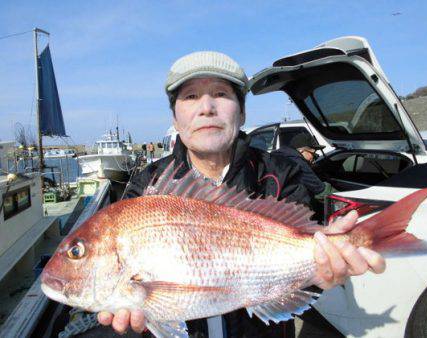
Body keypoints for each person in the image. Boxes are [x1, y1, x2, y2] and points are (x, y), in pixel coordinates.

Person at [97, 51, 385, 336]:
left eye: (221, 94)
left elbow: (304, 257)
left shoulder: (281, 174)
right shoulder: (147, 186)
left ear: (242, 112)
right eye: (191, 96)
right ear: (174, 117)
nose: (207, 107)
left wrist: (326, 259)